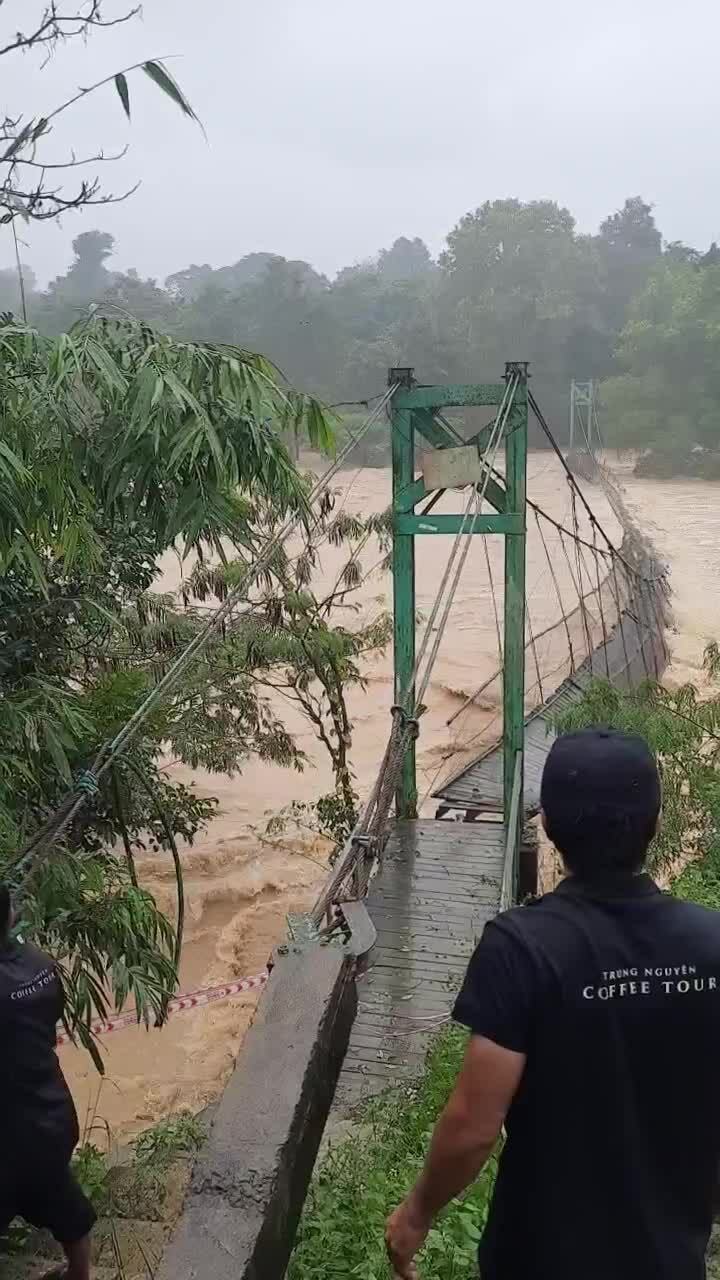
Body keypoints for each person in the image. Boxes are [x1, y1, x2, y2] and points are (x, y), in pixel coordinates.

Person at [386, 728, 720, 1280]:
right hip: (667, 1260)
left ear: (546, 824)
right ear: (656, 824)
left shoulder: (520, 947)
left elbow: (474, 1125)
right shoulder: (711, 944)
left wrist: (417, 1213)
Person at [0, 884, 95, 1280]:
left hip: (8, 1133)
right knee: (65, 1204)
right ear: (10, 916)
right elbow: (49, 1015)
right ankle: (78, 1274)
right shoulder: (42, 965)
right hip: (51, 1115)